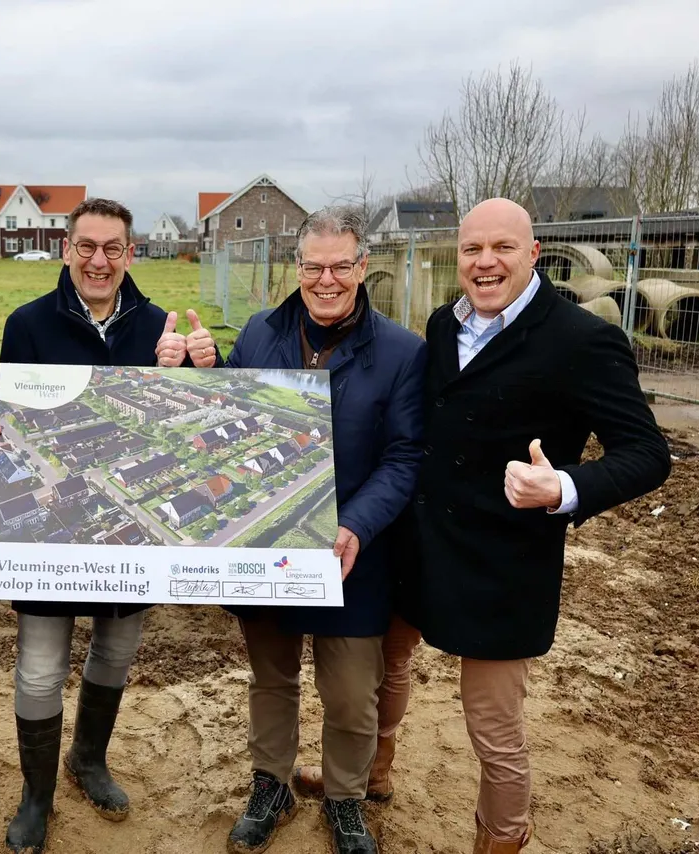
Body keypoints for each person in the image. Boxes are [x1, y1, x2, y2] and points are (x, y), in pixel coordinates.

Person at [293, 198, 671, 852]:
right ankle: (369, 775)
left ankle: (502, 837)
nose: (486, 262)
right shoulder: (444, 325)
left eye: (502, 248)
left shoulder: (582, 341)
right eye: (473, 249)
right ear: (458, 256)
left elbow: (647, 453)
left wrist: (565, 486)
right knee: (389, 664)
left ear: (534, 254)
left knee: (492, 724)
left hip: (504, 564)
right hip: (419, 542)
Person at [0, 197, 220, 853]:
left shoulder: (159, 327)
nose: (99, 260)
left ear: (130, 254)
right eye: (86, 246)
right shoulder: (27, 325)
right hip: (55, 525)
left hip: (129, 527)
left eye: (113, 248)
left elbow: (183, 426)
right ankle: (36, 794)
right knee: (39, 667)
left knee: (115, 650)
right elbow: (12, 429)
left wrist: (196, 371)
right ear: (67, 250)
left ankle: (88, 759)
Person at [219, 207, 425, 854]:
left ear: (363, 267)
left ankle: (343, 799)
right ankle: (272, 784)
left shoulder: (402, 352)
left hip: (350, 555)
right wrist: (197, 369)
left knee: (350, 697)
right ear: (297, 267)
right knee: (272, 679)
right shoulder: (259, 335)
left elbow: (406, 455)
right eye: (313, 267)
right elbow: (222, 421)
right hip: (270, 547)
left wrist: (356, 525)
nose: (327, 279)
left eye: (341, 266)